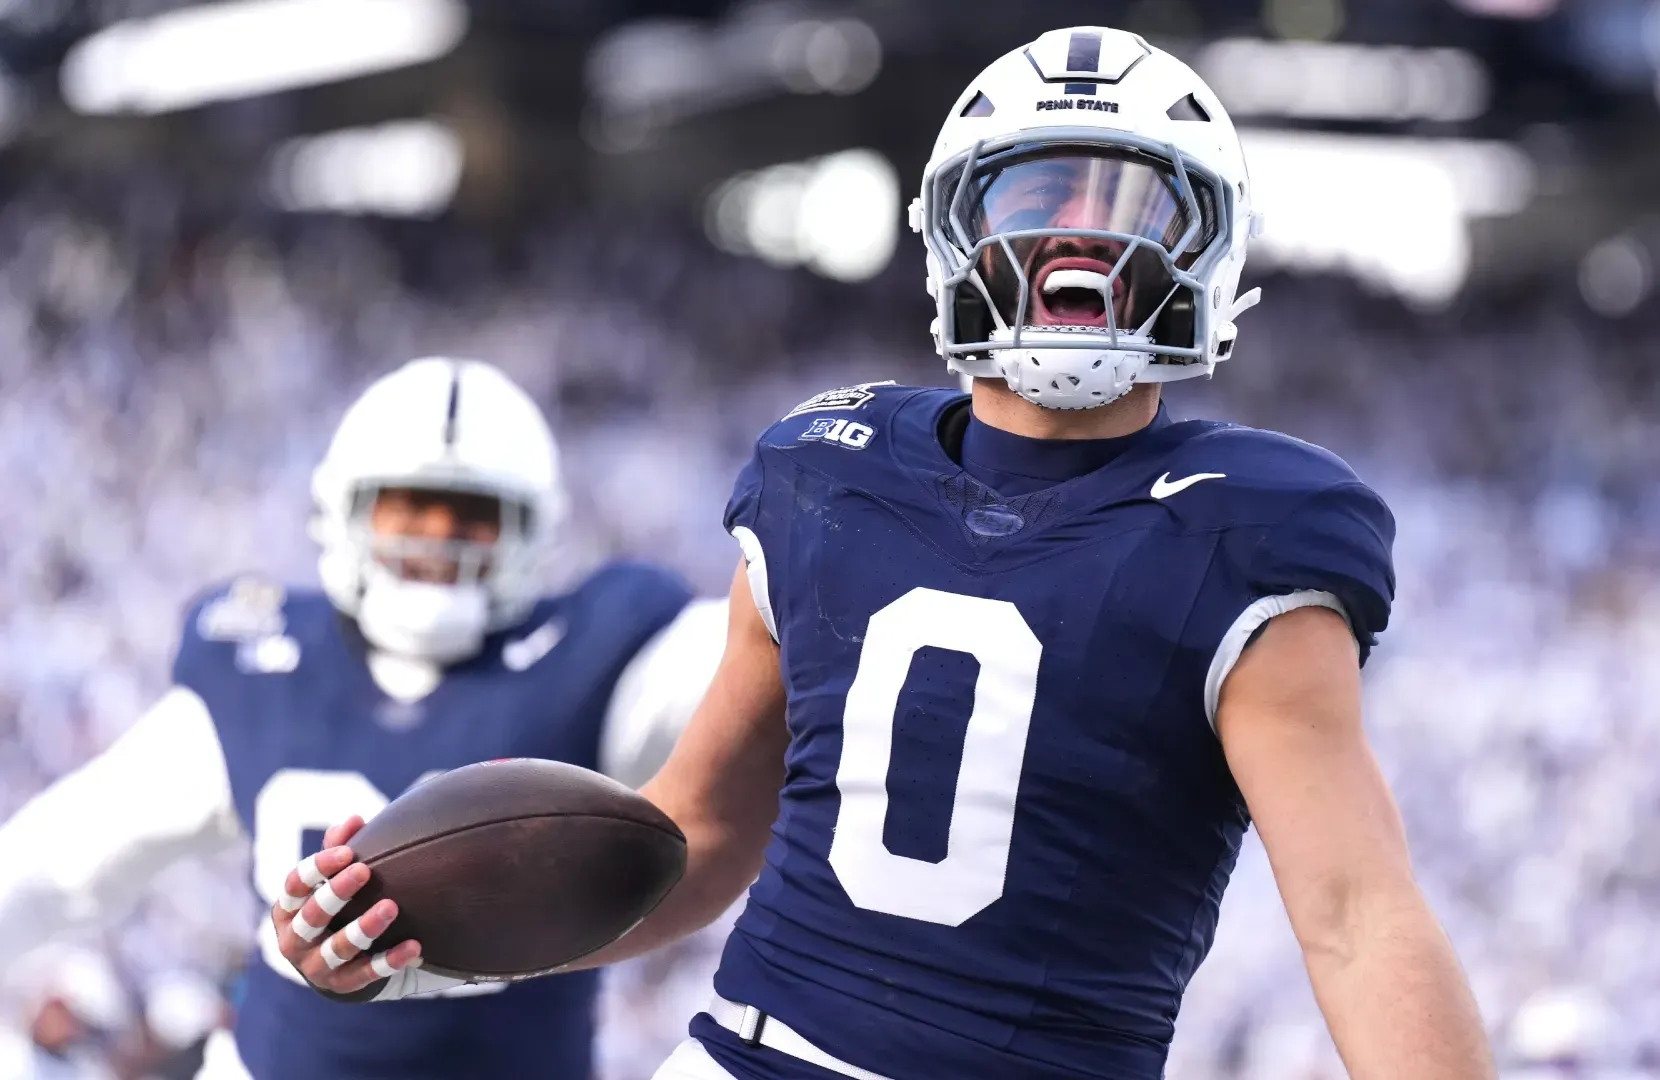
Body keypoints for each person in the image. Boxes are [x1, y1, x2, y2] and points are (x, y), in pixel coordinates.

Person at [281, 29, 1495, 1080]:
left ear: (1211, 251)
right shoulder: (825, 468)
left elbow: (1354, 916)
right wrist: (422, 946)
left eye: (1130, 206)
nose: (1079, 245)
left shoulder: (1247, 528)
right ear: (954, 230)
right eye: (1037, 198)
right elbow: (696, 832)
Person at [0, 357, 726, 1080]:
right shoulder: (267, 664)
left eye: (474, 514)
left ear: (532, 530)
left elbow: (767, 657)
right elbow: (59, 863)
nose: (437, 537)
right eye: (409, 505)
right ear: (344, 510)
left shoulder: (596, 654)